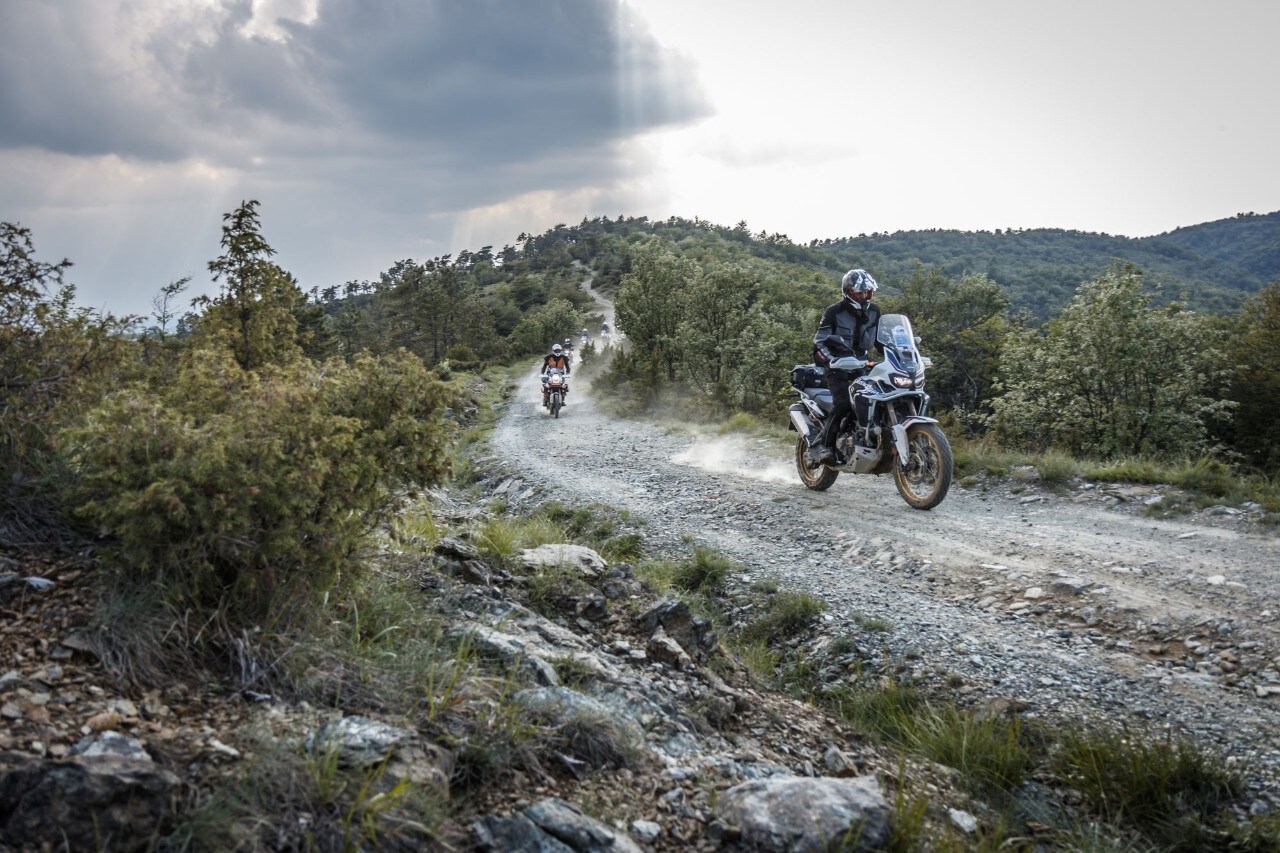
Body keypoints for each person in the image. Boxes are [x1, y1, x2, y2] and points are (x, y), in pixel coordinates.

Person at [808, 269, 883, 464]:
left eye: (868, 293)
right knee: (843, 404)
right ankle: (826, 445)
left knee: (880, 399)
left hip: (863, 367)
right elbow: (820, 342)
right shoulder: (834, 312)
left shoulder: (874, 312)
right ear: (848, 292)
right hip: (838, 368)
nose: (865, 297)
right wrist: (830, 360)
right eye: (860, 293)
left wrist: (901, 352)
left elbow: (881, 341)